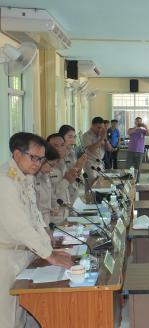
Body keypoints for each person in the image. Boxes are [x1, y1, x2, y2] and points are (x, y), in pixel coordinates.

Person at [0, 132, 72, 328]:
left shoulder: (26, 177)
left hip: (23, 254)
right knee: (7, 317)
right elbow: (20, 226)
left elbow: (35, 217)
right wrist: (49, 254)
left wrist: (48, 246)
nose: (38, 163)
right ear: (16, 154)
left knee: (21, 315)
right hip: (6, 257)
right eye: (34, 157)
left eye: (41, 159)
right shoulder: (5, 181)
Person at [47, 133, 80, 224]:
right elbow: (49, 194)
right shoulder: (45, 168)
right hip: (52, 220)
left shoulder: (63, 164)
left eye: (62, 145)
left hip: (66, 215)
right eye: (55, 146)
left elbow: (69, 191)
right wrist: (66, 181)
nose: (60, 149)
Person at [35, 142, 60, 225]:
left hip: (46, 222)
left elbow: (51, 196)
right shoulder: (31, 178)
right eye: (51, 165)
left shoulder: (45, 176)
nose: (52, 170)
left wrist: (54, 207)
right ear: (42, 160)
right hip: (36, 224)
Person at [59, 124, 85, 202]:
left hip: (74, 190)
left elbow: (77, 174)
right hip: (62, 193)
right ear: (61, 138)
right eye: (70, 137)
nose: (73, 140)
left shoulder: (73, 152)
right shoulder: (58, 155)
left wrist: (81, 165)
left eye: (74, 137)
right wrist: (77, 165)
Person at [81, 116, 112, 184]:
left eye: (102, 127)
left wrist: (105, 140)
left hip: (100, 163)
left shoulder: (101, 135)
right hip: (90, 164)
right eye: (98, 127)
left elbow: (109, 149)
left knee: (100, 185)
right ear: (92, 125)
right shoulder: (86, 136)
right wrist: (101, 139)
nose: (100, 129)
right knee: (92, 186)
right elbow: (91, 149)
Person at [127, 117, 149, 182]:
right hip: (131, 151)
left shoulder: (143, 131)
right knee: (128, 166)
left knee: (138, 167)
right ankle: (128, 180)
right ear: (135, 122)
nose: (138, 122)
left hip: (140, 151)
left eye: (140, 121)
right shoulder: (131, 129)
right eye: (137, 121)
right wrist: (136, 127)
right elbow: (129, 132)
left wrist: (145, 126)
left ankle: (137, 181)